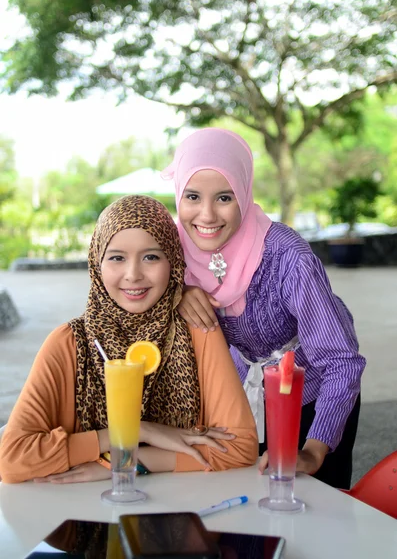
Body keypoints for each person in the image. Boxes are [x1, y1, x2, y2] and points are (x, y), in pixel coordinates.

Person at [0, 195, 258, 484]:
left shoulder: (198, 332)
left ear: (173, 261)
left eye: (151, 257)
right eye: (116, 258)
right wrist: (135, 432)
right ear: (97, 265)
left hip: (182, 515)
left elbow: (240, 448)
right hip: (84, 519)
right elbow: (12, 459)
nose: (133, 275)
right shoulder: (69, 344)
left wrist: (127, 460)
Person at [161, 127, 366, 489]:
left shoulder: (288, 258)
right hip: (248, 392)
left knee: (314, 510)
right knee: (253, 501)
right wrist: (176, 292)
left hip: (316, 396)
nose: (206, 215)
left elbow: (340, 361)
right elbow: (130, 284)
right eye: (192, 196)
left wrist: (314, 451)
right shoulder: (173, 251)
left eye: (224, 197)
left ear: (243, 191)